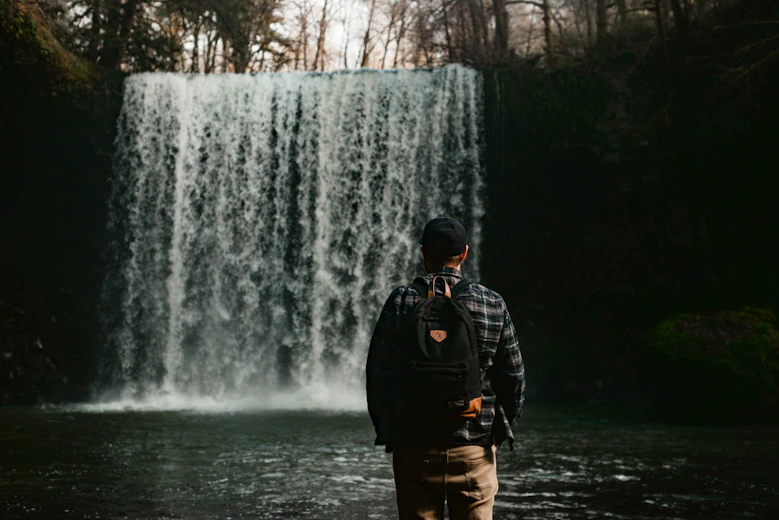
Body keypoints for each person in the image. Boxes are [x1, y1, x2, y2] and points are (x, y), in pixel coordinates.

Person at [366, 216, 526, 520]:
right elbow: (514, 378)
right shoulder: (491, 302)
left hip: (414, 446)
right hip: (474, 447)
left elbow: (377, 375)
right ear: (465, 253)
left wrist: (390, 430)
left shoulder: (401, 301)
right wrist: (496, 429)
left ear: (423, 252)